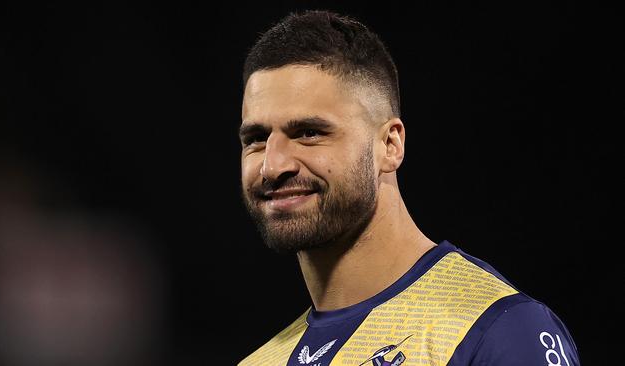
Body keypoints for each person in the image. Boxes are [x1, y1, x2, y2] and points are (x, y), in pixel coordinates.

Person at [237, 10, 579, 366]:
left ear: (389, 145)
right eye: (257, 139)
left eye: (309, 133)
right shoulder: (262, 361)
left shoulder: (496, 329)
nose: (273, 165)